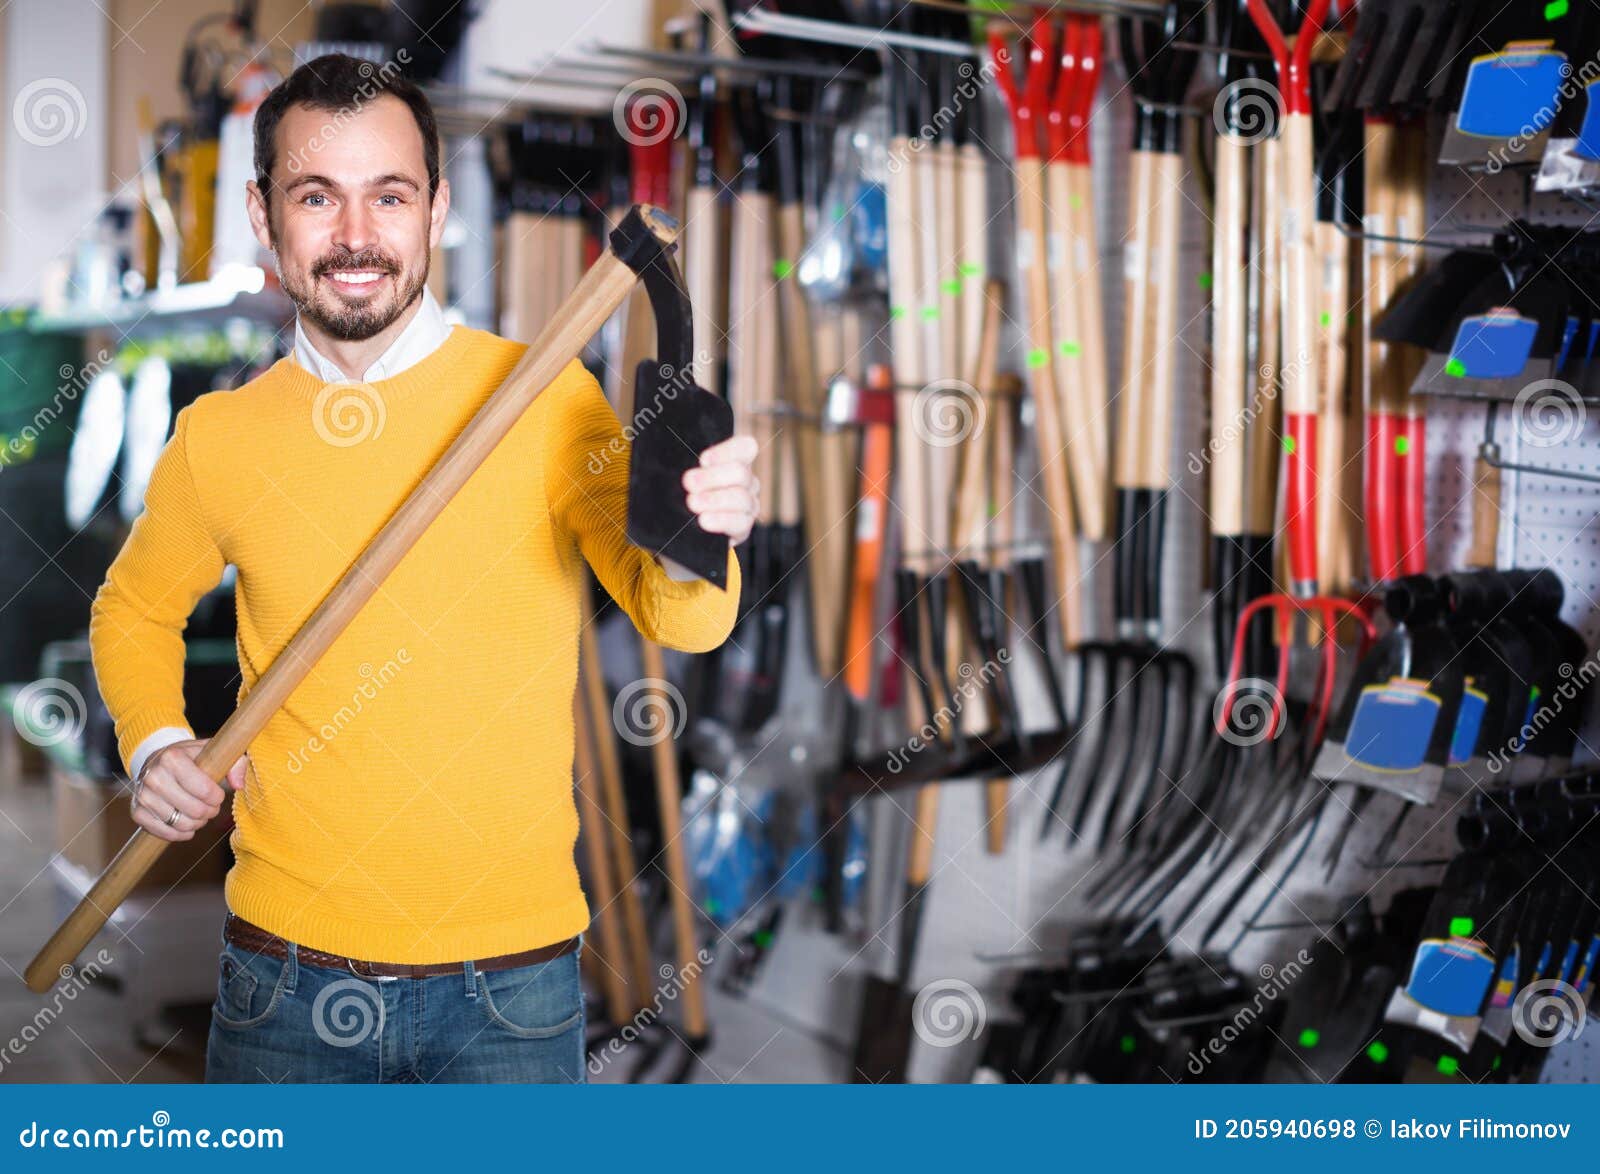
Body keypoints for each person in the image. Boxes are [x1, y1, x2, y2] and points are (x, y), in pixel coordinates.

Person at [87, 55, 758, 1084]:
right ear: (264, 217)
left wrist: (703, 529)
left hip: (513, 985)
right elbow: (131, 610)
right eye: (318, 196)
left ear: (436, 209)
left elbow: (683, 622)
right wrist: (158, 745)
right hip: (283, 976)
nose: (356, 236)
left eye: (389, 195)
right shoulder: (217, 436)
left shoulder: (546, 401)